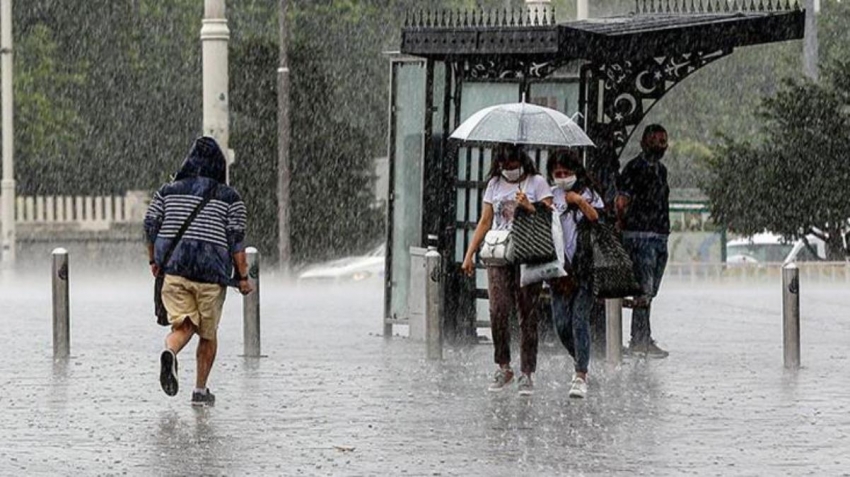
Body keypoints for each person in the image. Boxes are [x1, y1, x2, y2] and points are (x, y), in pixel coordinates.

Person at [144, 136, 254, 406]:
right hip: (211, 275)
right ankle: (200, 391)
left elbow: (150, 226)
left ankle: (170, 350)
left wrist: (154, 261)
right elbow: (236, 241)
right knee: (208, 333)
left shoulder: (167, 191)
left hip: (175, 270)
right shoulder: (230, 198)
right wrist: (242, 278)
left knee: (184, 324)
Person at [462, 144, 553, 396]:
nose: (509, 170)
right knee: (498, 309)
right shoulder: (494, 184)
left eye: (513, 166)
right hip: (500, 252)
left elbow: (550, 216)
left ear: (521, 161)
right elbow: (485, 220)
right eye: (505, 166)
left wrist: (529, 206)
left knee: (527, 312)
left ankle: (527, 371)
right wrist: (470, 253)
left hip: (528, 252)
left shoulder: (537, 183)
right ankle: (504, 365)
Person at [547, 150, 603, 399]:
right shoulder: (549, 194)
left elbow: (597, 218)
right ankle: (581, 357)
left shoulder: (588, 192)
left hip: (585, 268)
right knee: (561, 323)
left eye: (566, 173)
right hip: (559, 270)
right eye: (557, 174)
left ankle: (581, 374)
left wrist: (578, 200)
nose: (562, 177)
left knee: (579, 320)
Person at [616, 124, 671, 358]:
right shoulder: (633, 169)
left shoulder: (662, 171)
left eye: (663, 141)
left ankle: (642, 336)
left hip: (659, 236)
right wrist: (623, 225)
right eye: (656, 140)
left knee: (650, 290)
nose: (661, 145)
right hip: (639, 236)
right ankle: (640, 338)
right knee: (643, 289)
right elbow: (621, 202)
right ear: (644, 142)